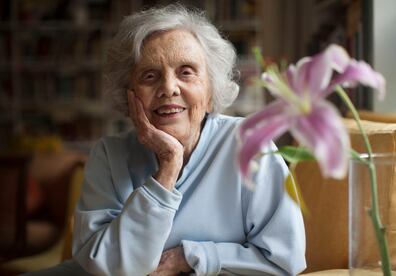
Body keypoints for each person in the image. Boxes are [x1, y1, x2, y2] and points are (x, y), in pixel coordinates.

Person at [28, 4, 306, 276]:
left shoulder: (249, 145)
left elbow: (283, 259)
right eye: (150, 76)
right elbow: (106, 268)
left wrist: (192, 256)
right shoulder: (109, 155)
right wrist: (168, 169)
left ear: (210, 90)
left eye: (186, 71)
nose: (169, 88)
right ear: (129, 95)